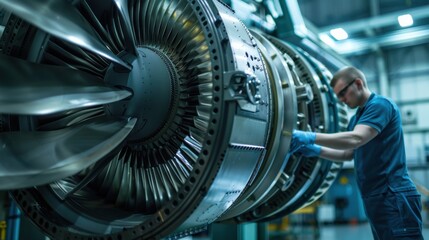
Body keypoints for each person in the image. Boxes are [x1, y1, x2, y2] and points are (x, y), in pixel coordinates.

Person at [291, 66, 423, 239]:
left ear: (358, 84)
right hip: (375, 197)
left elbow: (356, 138)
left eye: (343, 93)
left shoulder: (380, 105)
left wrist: (311, 137)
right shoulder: (356, 119)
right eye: (338, 96)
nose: (341, 100)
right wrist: (316, 150)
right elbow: (348, 154)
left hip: (393, 195)